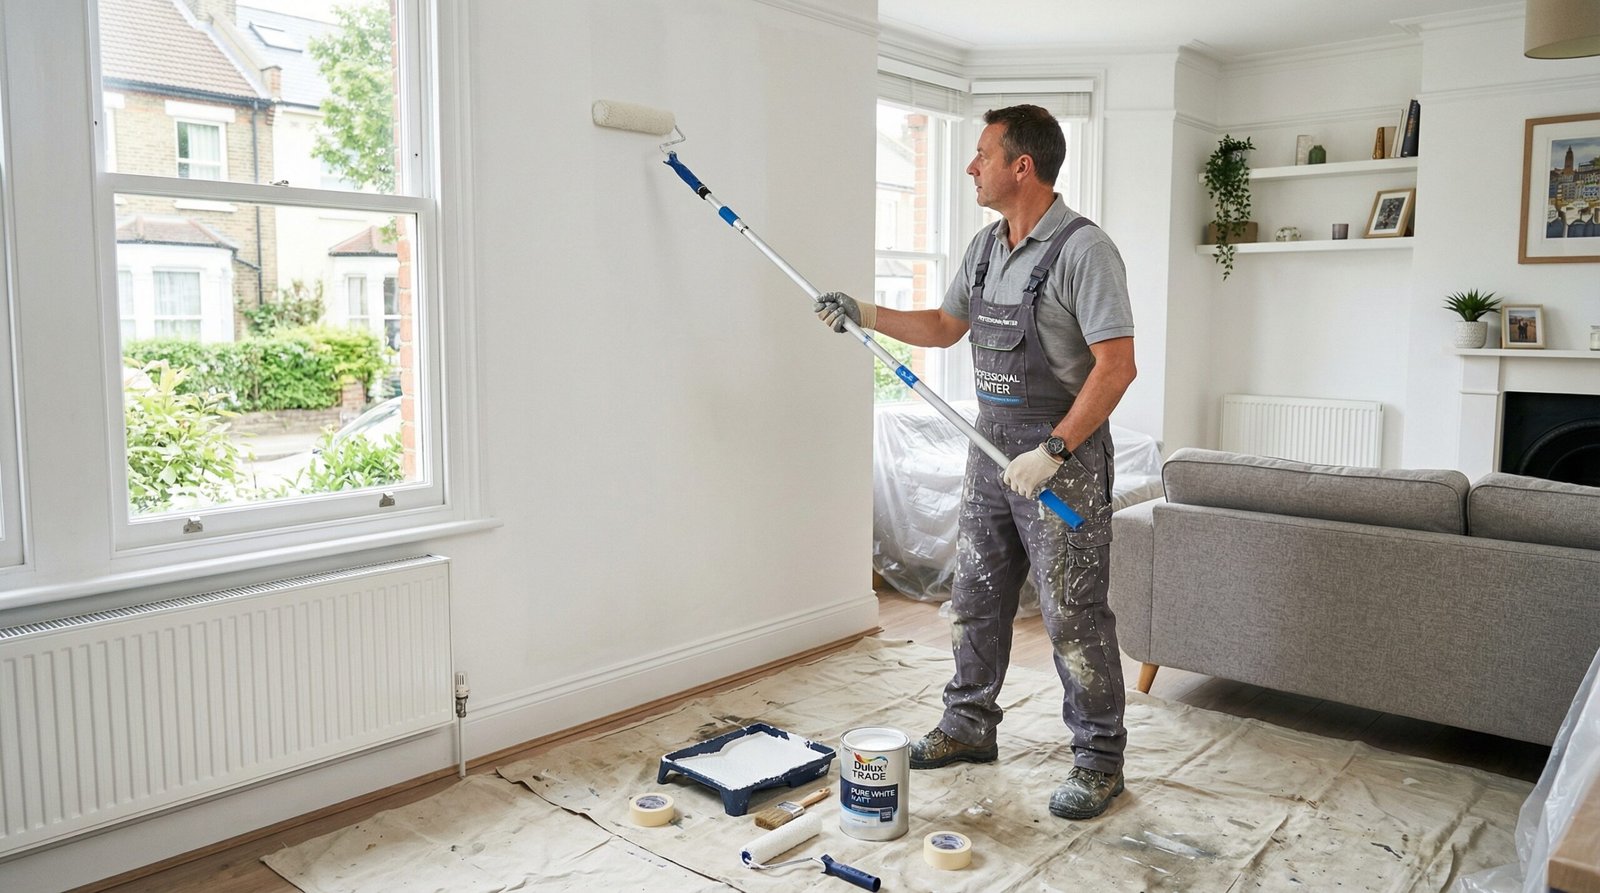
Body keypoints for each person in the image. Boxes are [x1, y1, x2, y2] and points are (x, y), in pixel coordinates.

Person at [816, 104, 1137, 820]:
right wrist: (863, 312)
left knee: (1073, 615)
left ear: (1021, 166)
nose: (971, 168)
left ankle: (1099, 760)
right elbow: (942, 325)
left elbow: (1117, 368)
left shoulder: (1086, 252)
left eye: (983, 155)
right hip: (989, 447)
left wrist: (1053, 451)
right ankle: (967, 726)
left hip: (1064, 461)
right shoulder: (986, 246)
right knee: (976, 596)